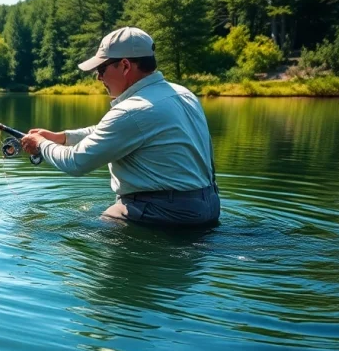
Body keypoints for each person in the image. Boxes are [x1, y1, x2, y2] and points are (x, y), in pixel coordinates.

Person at [21, 27, 220, 226]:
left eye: (101, 69)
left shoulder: (132, 110)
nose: (99, 77)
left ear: (125, 65)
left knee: (82, 232)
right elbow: (113, 131)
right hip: (209, 206)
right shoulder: (184, 93)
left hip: (167, 215)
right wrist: (62, 137)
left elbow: (75, 162)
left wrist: (41, 145)